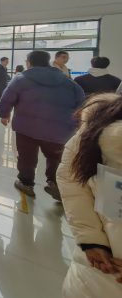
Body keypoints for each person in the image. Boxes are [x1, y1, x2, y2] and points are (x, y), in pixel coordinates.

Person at [57, 93, 122, 295]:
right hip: (95, 268)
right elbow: (72, 181)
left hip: (93, 270)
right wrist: (91, 238)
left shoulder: (99, 120)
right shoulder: (99, 120)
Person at [0, 50, 85, 200]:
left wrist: (4, 114)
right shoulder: (68, 81)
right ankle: (55, 183)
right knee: (56, 157)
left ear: (29, 63)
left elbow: (7, 98)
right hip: (59, 128)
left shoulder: (21, 79)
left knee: (27, 156)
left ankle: (26, 183)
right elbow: (81, 103)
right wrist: (78, 122)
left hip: (27, 127)